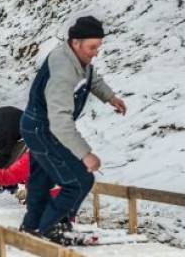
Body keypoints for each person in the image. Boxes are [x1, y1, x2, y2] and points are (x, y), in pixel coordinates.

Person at [19, 16, 127, 244]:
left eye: (98, 46)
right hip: (44, 128)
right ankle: (52, 228)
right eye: (92, 47)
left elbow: (91, 77)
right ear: (76, 42)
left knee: (41, 180)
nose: (96, 52)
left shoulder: (75, 58)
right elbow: (60, 122)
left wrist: (110, 97)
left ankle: (32, 226)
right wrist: (85, 154)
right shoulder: (63, 70)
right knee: (78, 181)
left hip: (37, 126)